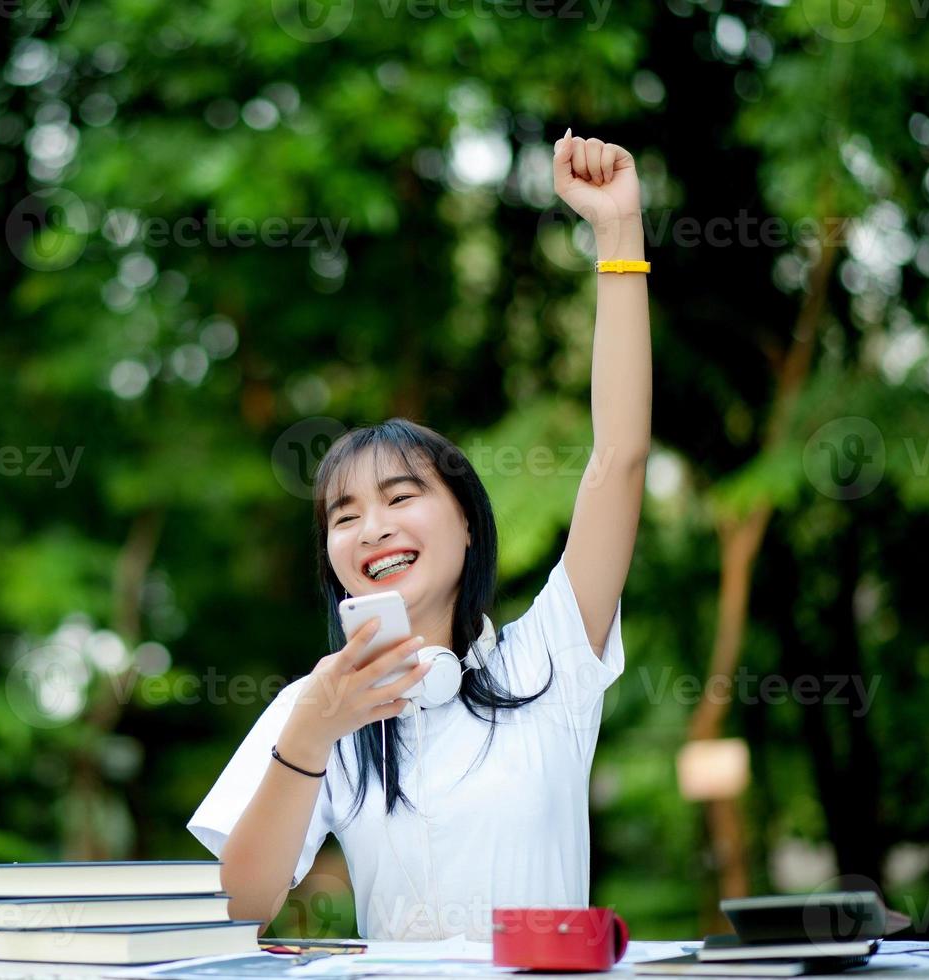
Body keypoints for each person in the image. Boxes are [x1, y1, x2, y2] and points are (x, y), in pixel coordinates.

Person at [186, 131, 651, 941]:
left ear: (466, 523)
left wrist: (617, 235)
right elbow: (235, 913)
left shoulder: (549, 659)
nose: (372, 528)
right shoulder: (321, 703)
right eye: (343, 514)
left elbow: (619, 459)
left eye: (401, 496)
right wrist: (309, 733)